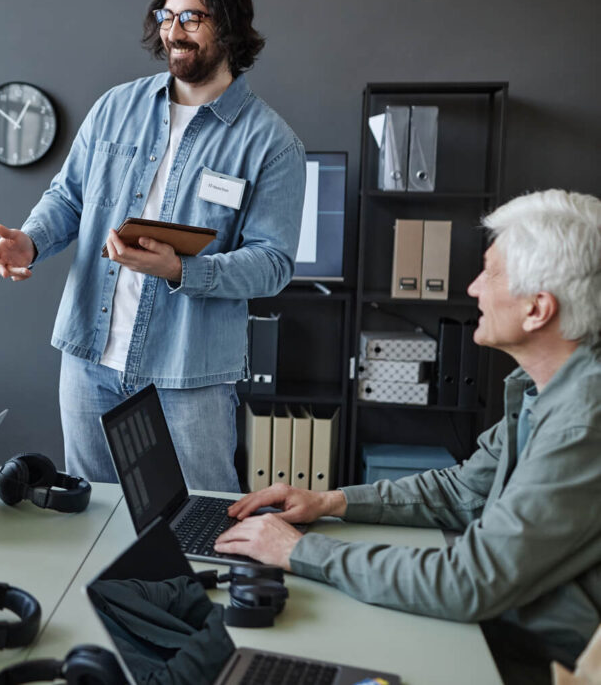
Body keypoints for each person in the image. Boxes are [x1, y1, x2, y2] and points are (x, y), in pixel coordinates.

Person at [215, 190, 601, 680]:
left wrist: (296, 551)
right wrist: (329, 502)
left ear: (537, 309)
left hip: (528, 659)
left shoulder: (582, 423)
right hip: (499, 629)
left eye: (490, 271)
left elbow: (470, 582)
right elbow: (465, 491)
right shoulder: (545, 386)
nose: (474, 286)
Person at [0, 0, 305, 491]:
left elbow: (273, 264)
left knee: (204, 518)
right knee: (95, 516)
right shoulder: (115, 109)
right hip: (90, 361)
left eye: (193, 17)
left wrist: (182, 270)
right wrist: (31, 240)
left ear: (232, 26)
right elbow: (69, 196)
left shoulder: (272, 143)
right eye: (168, 16)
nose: (175, 31)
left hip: (189, 372)